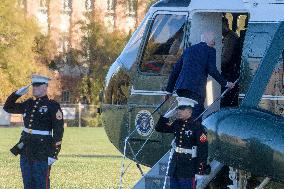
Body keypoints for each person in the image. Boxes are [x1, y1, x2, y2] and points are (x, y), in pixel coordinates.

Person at [3, 74, 64, 189]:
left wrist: (54, 154)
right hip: (26, 148)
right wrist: (17, 94)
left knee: (41, 183)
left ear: (45, 87)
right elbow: (8, 107)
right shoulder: (28, 104)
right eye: (33, 85)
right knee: (27, 182)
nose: (34, 88)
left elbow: (58, 131)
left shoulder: (52, 106)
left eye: (37, 85)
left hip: (42, 150)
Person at [165, 32, 234, 120]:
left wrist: (168, 91)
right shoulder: (210, 50)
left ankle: (182, 132)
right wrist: (226, 83)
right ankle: (194, 132)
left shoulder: (189, 49)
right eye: (213, 40)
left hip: (181, 89)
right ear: (208, 40)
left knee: (183, 114)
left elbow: (175, 70)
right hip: (196, 90)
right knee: (195, 115)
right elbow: (212, 70)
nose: (214, 42)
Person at [155, 97, 211, 189]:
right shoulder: (177, 123)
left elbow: (203, 150)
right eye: (178, 109)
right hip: (175, 167)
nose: (178, 112)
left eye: (182, 109)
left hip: (188, 168)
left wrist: (200, 171)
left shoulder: (197, 126)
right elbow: (159, 128)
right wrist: (167, 116)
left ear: (190, 111)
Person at [221, 17, 242, 107]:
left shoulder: (230, 38)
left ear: (226, 25)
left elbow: (225, 59)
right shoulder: (228, 37)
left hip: (229, 73)